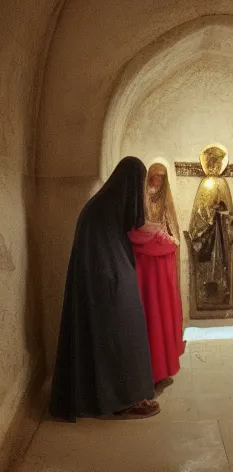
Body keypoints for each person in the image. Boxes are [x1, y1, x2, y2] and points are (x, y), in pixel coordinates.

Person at [50, 157, 160, 421]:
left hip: (103, 282)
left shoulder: (105, 206)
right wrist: (119, 282)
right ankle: (121, 400)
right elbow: (101, 259)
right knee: (120, 330)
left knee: (124, 325)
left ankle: (124, 394)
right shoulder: (101, 209)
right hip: (103, 285)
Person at [128, 162, 186, 386]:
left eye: (161, 177)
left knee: (160, 308)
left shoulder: (165, 201)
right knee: (147, 310)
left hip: (160, 259)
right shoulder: (140, 198)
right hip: (143, 260)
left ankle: (161, 364)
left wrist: (164, 238)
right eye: (154, 176)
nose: (157, 181)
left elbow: (171, 230)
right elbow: (137, 225)